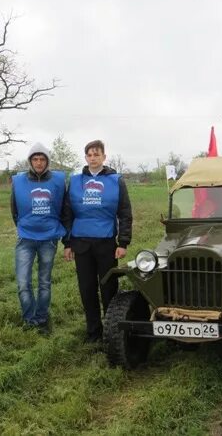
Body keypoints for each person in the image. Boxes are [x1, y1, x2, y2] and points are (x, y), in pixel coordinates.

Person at [63, 140, 132, 343]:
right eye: (89, 155)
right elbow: (67, 213)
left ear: (104, 156)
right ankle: (93, 331)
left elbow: (125, 213)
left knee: (108, 287)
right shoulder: (75, 181)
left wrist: (123, 243)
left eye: (96, 154)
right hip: (81, 243)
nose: (93, 158)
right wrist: (67, 243)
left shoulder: (116, 180)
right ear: (85, 158)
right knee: (87, 288)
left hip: (106, 243)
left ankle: (111, 330)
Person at [11, 142, 67, 335]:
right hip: (25, 239)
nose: (39, 162)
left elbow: (64, 208)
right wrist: (24, 227)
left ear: (47, 161)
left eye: (42, 159)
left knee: (44, 282)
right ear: (30, 161)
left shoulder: (58, 181)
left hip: (49, 239)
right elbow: (14, 210)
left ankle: (41, 319)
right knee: (23, 283)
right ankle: (29, 319)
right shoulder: (18, 182)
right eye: (35, 159)